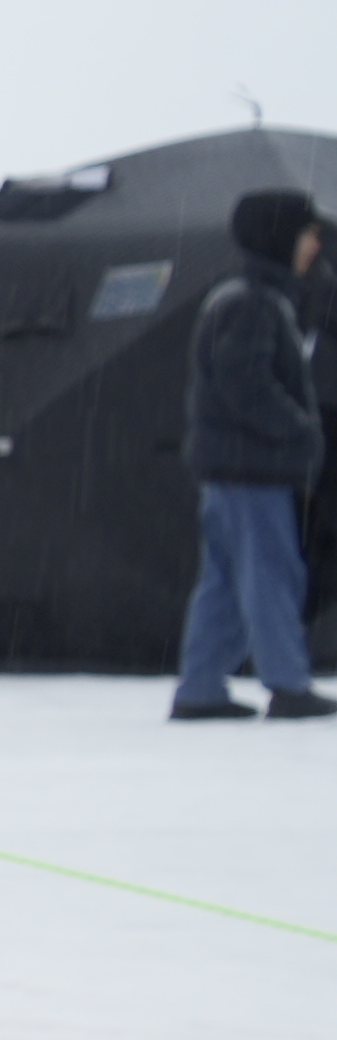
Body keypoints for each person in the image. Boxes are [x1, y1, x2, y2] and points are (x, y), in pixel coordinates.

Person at [176, 188, 329, 722]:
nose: (315, 245)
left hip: (233, 469)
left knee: (223, 581)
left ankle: (200, 688)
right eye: (308, 234)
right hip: (252, 470)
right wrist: (301, 429)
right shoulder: (251, 303)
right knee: (271, 574)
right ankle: (287, 684)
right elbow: (245, 384)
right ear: (280, 237)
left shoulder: (250, 298)